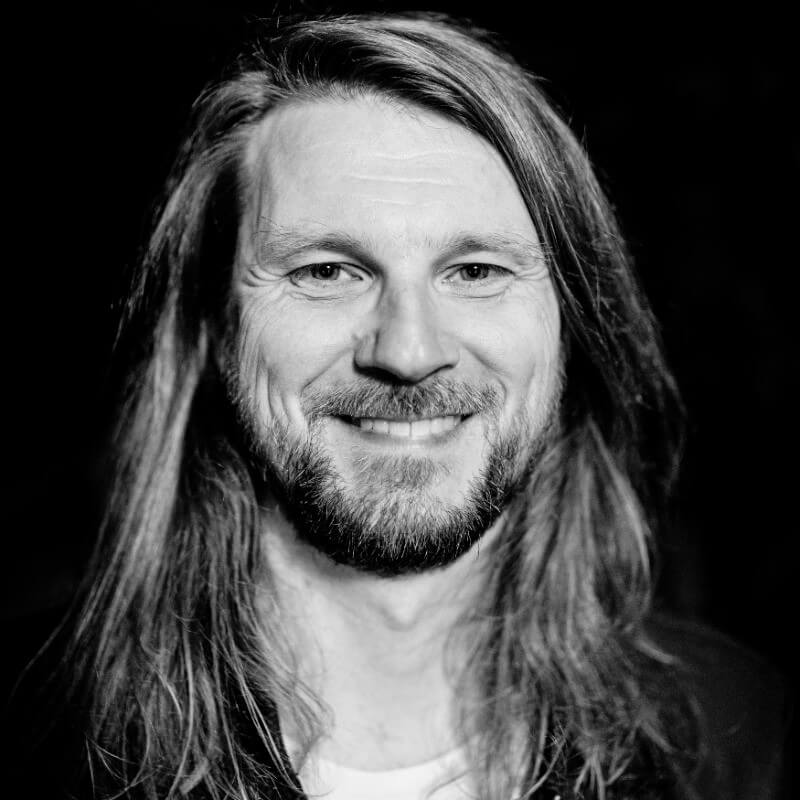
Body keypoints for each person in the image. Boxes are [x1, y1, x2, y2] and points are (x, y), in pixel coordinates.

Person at [14, 12, 788, 800]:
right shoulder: (34, 736)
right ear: (215, 327)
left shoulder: (732, 735)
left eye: (477, 271)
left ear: (572, 326)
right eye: (326, 271)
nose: (409, 351)